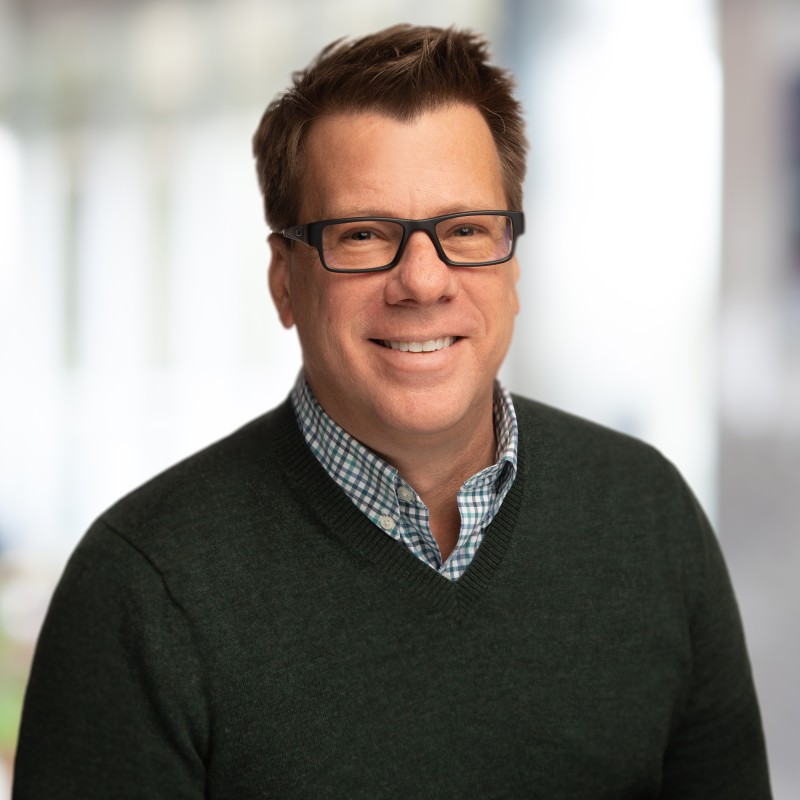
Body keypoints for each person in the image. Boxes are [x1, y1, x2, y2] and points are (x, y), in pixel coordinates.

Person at [13, 24, 771, 799]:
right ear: (283, 280)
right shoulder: (142, 588)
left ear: (512, 265)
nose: (422, 282)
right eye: (364, 235)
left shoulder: (648, 518)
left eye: (465, 230)